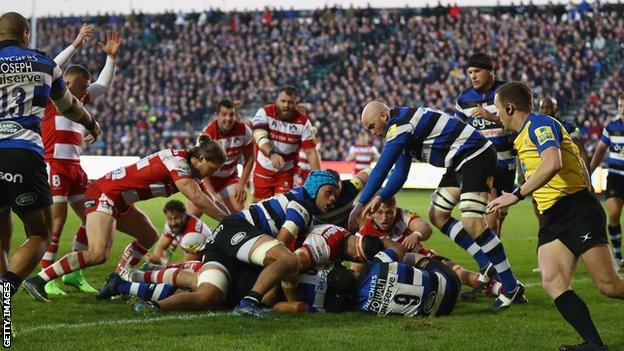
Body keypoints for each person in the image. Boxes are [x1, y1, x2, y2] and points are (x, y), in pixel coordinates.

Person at [348, 101, 524, 311]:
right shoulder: (402, 127)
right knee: (437, 214)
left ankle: (511, 286)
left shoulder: (399, 125)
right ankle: (486, 265)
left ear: (384, 115)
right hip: (460, 161)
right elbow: (399, 174)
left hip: (475, 155)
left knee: (473, 224)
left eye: (371, 125)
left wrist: (359, 204)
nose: (372, 132)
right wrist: (381, 195)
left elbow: (382, 168)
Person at [488, 82, 624, 351]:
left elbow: (553, 162)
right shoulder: (522, 137)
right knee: (552, 280)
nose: (497, 115)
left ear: (509, 107)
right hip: (554, 216)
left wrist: (517, 194)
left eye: (497, 109)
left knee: (609, 286)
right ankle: (594, 344)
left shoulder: (540, 125)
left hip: (576, 209)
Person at [22, 136, 227, 302]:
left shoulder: (187, 167)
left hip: (118, 199)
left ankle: (119, 278)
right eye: (212, 168)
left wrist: (232, 218)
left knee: (148, 235)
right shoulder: (178, 163)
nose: (212, 174)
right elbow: (198, 198)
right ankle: (39, 280)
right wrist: (227, 222)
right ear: (200, 158)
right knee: (97, 253)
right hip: (105, 194)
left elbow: (207, 196)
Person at [113, 170, 340, 316]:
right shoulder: (302, 205)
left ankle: (153, 307)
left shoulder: (298, 198)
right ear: (314, 188)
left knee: (207, 295)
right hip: (237, 230)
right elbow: (281, 245)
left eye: (335, 196)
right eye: (328, 192)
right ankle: (248, 304)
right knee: (287, 259)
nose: (331, 200)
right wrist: (269, 289)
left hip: (221, 240)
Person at [0, 12, 100, 298]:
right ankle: (6, 287)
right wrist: (91, 123)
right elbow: (69, 106)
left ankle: (4, 321)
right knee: (40, 234)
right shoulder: (44, 63)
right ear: (25, 34)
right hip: (23, 153)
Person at [39, 25, 121, 296]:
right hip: (55, 164)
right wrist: (75, 44)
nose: (88, 90)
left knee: (91, 218)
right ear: (69, 82)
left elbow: (104, 85)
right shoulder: (52, 95)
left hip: (75, 167)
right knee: (58, 221)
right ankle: (46, 275)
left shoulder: (81, 99)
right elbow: (51, 65)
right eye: (83, 85)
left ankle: (74, 275)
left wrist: (111, 57)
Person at [455, 52, 513, 238]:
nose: (472, 76)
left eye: (477, 71)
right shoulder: (464, 99)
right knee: (492, 213)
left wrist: (491, 118)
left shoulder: (506, 92)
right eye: (470, 72)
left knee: (501, 213)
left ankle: (495, 252)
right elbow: (459, 130)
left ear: (490, 72)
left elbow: (518, 124)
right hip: (484, 162)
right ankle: (492, 260)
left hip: (508, 161)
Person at [252, 86, 320, 201]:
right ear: (276, 100)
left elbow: (311, 152)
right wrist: (272, 154)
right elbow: (259, 135)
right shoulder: (264, 112)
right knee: (258, 208)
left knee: (281, 207)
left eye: (290, 102)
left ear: (296, 103)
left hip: (286, 171)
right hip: (263, 168)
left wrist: (317, 179)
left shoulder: (303, 122)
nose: (286, 106)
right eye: (283, 101)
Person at [190, 99, 253, 214]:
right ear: (217, 115)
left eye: (231, 114)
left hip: (229, 178)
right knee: (191, 215)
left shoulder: (244, 131)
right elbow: (201, 168)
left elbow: (249, 158)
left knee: (239, 212)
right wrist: (212, 193)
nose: (228, 119)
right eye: (224, 114)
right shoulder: (207, 135)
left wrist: (242, 184)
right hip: (207, 179)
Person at [589, 94, 624, 270]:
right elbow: (601, 150)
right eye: (621, 105)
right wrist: (590, 170)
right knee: (613, 215)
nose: (622, 108)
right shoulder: (611, 127)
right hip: (616, 176)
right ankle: (618, 257)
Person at [144, 200, 212, 265]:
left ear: (185, 215)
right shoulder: (171, 224)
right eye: (169, 218)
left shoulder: (192, 236)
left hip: (210, 264)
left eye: (177, 218)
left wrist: (159, 261)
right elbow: (160, 247)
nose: (173, 223)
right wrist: (154, 262)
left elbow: (187, 266)